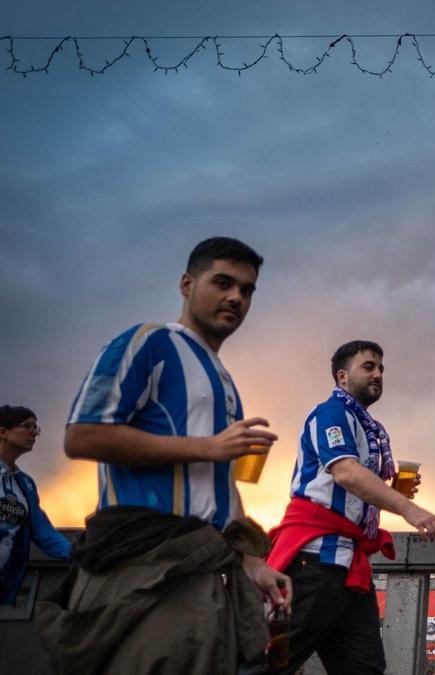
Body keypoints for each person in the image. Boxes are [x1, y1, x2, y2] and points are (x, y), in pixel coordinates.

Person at [37, 237, 291, 674]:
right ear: (187, 284)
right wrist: (207, 447)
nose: (236, 297)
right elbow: (81, 436)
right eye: (223, 282)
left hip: (204, 574)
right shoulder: (147, 343)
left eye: (247, 290)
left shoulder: (224, 379)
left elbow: (220, 482)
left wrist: (251, 559)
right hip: (143, 566)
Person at [265, 339, 435, 674]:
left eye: (381, 369)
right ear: (342, 377)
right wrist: (408, 508)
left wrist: (391, 491)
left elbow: (357, 488)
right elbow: (346, 472)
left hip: (350, 570)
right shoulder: (331, 414)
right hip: (315, 561)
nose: (378, 374)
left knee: (365, 669)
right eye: (368, 367)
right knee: (272, 663)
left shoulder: (368, 428)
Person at [0, 406, 72, 606]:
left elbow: (41, 531)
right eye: (27, 426)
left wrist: (79, 553)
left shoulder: (25, 485)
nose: (34, 432)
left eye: (36, 427)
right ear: (3, 432)